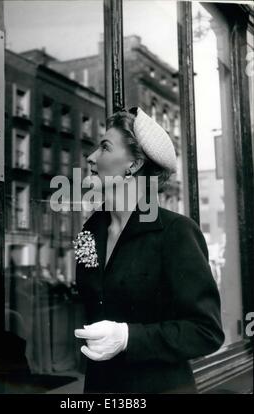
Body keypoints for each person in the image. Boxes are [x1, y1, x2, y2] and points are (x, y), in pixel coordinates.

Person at [74, 107, 225, 394]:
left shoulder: (176, 233)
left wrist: (128, 337)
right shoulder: (89, 231)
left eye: (105, 147)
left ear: (133, 165)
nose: (91, 157)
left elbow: (206, 332)